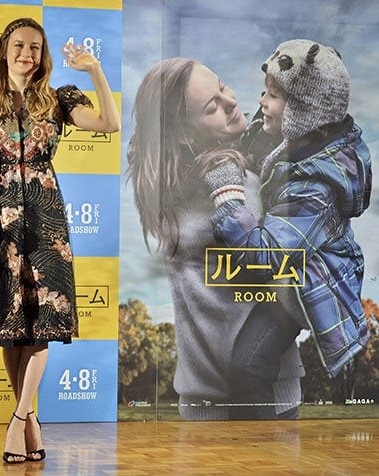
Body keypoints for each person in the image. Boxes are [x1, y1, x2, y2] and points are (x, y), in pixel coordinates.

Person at [0, 17, 119, 462]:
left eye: (35, 47)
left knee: (44, 320)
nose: (27, 54)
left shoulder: (59, 100)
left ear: (42, 54)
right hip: (0, 220)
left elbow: (109, 123)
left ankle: (19, 419)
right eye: (19, 46)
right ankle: (29, 421)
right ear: (4, 50)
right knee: (13, 327)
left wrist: (93, 70)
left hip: (46, 221)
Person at [126, 57, 304, 420]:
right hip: (262, 394)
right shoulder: (238, 185)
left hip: (213, 396)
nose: (231, 102)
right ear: (186, 134)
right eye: (212, 106)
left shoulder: (164, 190)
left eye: (223, 87)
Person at [203, 39, 372, 418]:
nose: (262, 100)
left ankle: (260, 453)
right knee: (244, 361)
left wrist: (228, 191)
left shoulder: (316, 188)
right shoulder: (291, 137)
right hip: (290, 267)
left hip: (309, 283)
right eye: (266, 90)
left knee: (247, 366)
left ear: (304, 112)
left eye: (275, 96)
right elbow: (248, 139)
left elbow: (262, 257)